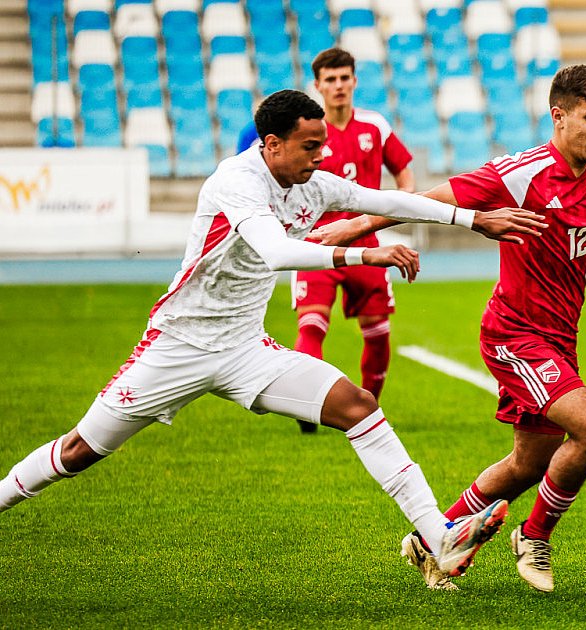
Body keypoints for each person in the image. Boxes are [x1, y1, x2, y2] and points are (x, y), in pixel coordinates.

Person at [0, 90, 548, 582]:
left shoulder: (312, 180)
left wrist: (475, 221)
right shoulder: (235, 182)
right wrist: (367, 253)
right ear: (271, 144)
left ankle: (438, 538)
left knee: (357, 406)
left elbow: (391, 201)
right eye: (310, 147)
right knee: (80, 450)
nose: (321, 156)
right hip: (178, 346)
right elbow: (277, 253)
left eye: (323, 146)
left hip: (245, 349)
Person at [311, 65, 586, 592]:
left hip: (560, 341)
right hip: (513, 334)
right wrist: (358, 225)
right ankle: (535, 535)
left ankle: (435, 543)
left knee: (528, 463)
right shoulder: (520, 173)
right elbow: (430, 200)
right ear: (558, 116)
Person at [279, 48, 416, 436]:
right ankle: (308, 407)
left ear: (354, 81)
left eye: (344, 78)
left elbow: (406, 178)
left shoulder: (375, 127)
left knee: (378, 332)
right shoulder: (306, 133)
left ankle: (366, 410)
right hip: (316, 244)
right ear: (318, 85)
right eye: (330, 80)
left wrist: (389, 213)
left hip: (369, 247)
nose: (338, 86)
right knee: (312, 327)